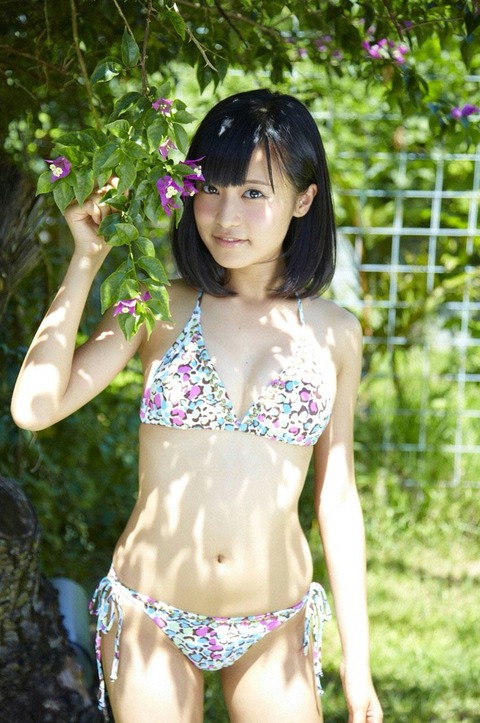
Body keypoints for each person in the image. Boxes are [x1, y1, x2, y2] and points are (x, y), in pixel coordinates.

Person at [11, 89, 383, 723]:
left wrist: (358, 660)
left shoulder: (334, 332)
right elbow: (34, 407)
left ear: (303, 200)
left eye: (254, 193)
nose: (225, 215)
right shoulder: (155, 304)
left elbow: (337, 497)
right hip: (149, 611)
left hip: (276, 621)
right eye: (210, 188)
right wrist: (87, 258)